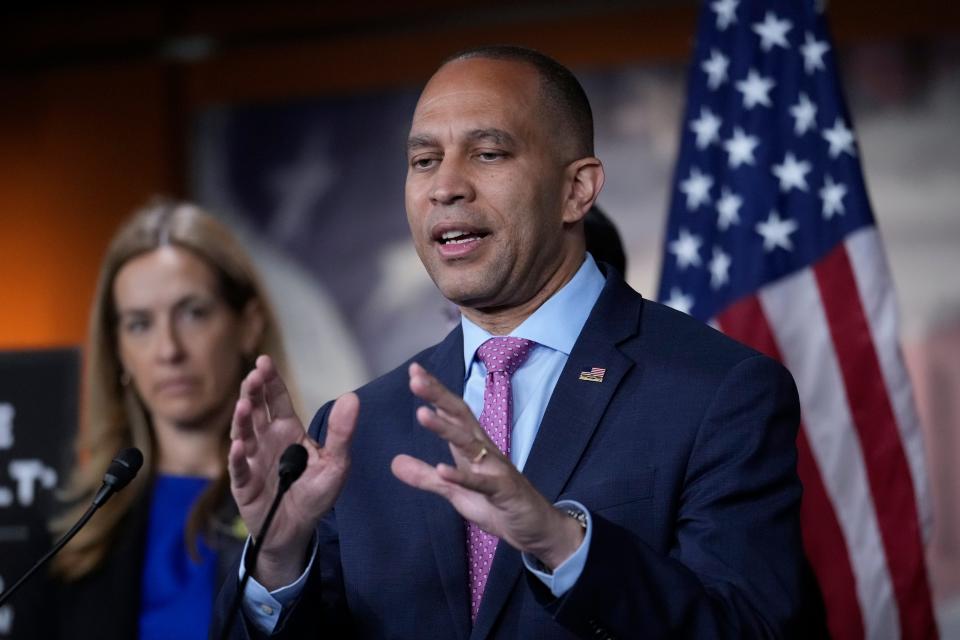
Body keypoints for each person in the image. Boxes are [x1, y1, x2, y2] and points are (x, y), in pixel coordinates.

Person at [215, 46, 816, 638]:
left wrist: (561, 543)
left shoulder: (719, 391)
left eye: (488, 152)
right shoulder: (357, 428)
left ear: (576, 190)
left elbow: (752, 629)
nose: (445, 186)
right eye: (424, 160)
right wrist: (278, 561)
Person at [47, 199, 297, 640]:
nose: (169, 350)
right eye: (140, 324)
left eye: (193, 313)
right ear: (118, 348)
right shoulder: (71, 529)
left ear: (247, 324)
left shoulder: (307, 502)